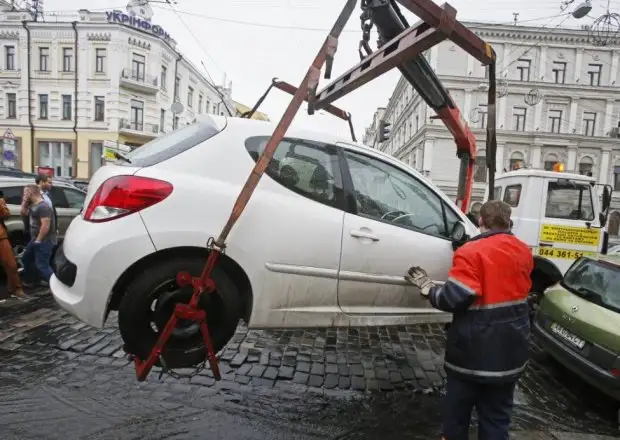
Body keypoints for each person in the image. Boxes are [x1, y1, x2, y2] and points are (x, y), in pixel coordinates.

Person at [405, 200, 533, 440]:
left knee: (456, 419)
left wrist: (428, 289)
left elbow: (454, 298)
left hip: (472, 357)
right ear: (509, 222)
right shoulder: (523, 250)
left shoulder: (471, 252)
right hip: (510, 354)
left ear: (480, 221)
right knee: (497, 420)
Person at [21, 184, 57, 286]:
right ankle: (34, 280)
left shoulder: (43, 206)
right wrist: (24, 201)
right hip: (35, 239)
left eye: (25, 193)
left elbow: (45, 226)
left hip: (45, 240)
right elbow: (23, 212)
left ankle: (56, 286)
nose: (23, 195)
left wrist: (38, 240)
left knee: (42, 265)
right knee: (26, 259)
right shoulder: (33, 205)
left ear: (30, 193)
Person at [0, 190, 25, 299]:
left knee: (11, 264)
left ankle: (16, 289)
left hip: (1, 236)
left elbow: (5, 214)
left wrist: (1, 203)